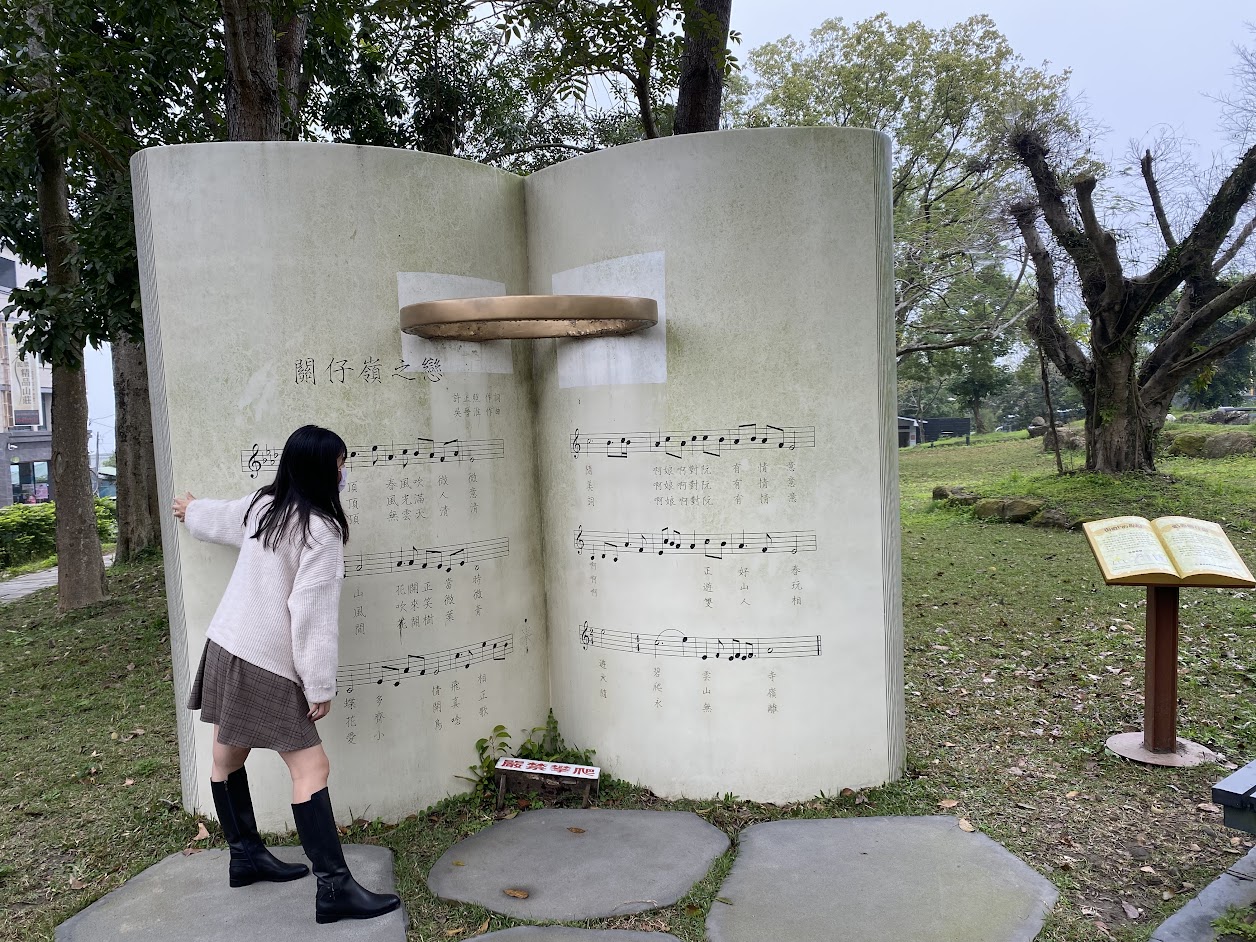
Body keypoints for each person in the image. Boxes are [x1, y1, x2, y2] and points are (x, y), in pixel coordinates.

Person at [174, 424, 399, 924]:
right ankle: (334, 889)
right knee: (311, 769)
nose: (344, 474)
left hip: (226, 645)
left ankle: (245, 856)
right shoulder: (321, 529)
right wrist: (318, 686)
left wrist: (191, 510)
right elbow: (310, 612)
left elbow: (223, 518)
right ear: (322, 469)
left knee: (226, 755)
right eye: (340, 465)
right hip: (266, 661)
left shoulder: (264, 506)